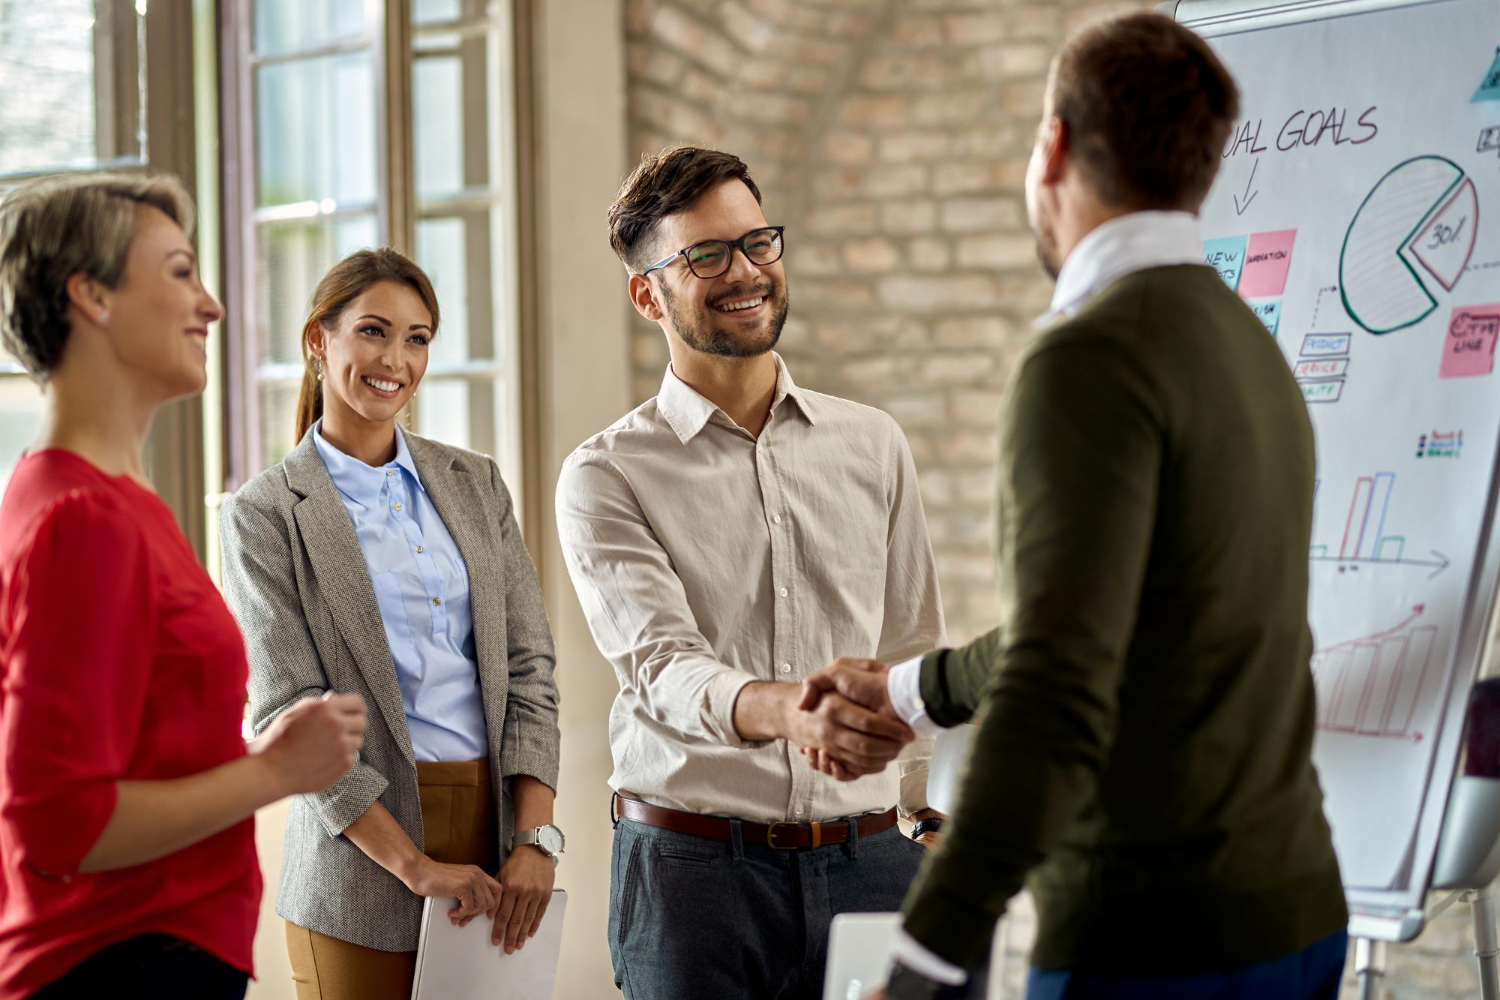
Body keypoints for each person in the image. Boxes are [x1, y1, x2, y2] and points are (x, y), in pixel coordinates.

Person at [804, 14, 1349, 1000]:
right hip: (1297, 915)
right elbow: (1121, 619)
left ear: (1051, 143)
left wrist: (921, 958)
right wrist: (907, 691)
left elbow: (1057, 686)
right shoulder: (1248, 347)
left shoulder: (1088, 359)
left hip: (1150, 944)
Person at [555, 145, 948, 1000]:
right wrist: (794, 713)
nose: (745, 272)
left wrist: (920, 810)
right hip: (694, 881)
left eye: (757, 242)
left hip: (876, 865)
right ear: (647, 292)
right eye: (706, 255)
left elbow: (912, 641)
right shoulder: (606, 474)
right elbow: (662, 666)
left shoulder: (872, 443)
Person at [0, 173, 367, 999]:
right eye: (178, 272)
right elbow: (60, 823)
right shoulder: (83, 518)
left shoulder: (98, 500)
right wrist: (276, 772)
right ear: (90, 294)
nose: (213, 306)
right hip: (116, 966)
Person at [218, 248, 563, 1000]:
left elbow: (530, 667)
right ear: (319, 339)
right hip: (359, 868)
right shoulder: (264, 514)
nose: (396, 360)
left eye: (418, 338)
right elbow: (290, 709)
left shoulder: (476, 483)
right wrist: (413, 864)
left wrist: (536, 838)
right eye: (374, 331)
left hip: (499, 841)